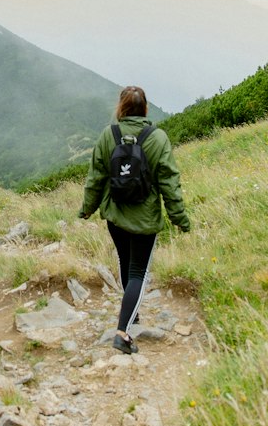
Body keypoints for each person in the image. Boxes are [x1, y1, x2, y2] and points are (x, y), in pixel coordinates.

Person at [78, 84, 191, 353]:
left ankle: (132, 313)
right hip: (144, 218)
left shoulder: (109, 135)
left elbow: (96, 177)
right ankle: (123, 333)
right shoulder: (158, 137)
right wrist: (179, 218)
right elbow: (169, 182)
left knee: (125, 262)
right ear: (145, 108)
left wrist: (87, 208)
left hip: (115, 216)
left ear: (121, 108)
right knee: (138, 271)